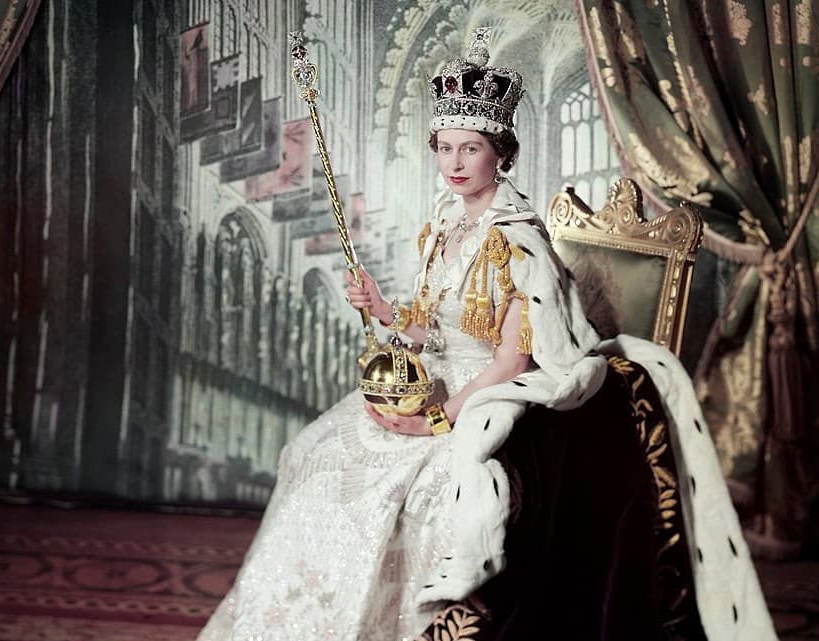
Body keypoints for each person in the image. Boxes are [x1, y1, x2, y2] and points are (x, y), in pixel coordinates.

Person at [197, 29, 775, 641]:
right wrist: (384, 309)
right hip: (435, 380)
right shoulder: (446, 224)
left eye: (469, 149)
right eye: (445, 148)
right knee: (313, 453)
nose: (454, 164)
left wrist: (436, 420)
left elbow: (511, 362)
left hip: (485, 397)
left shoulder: (519, 243)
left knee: (409, 491)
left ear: (500, 153)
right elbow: (430, 326)